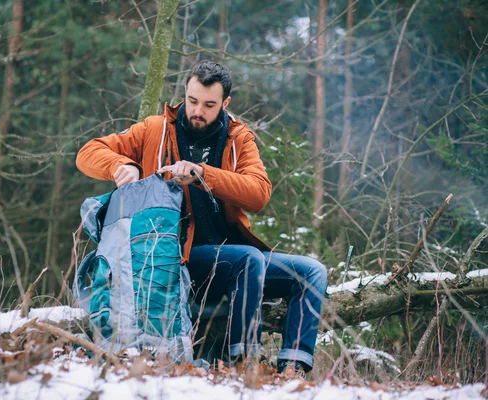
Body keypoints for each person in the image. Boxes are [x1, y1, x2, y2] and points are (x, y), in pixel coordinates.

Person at [76, 60, 327, 374]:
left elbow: (259, 193)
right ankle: (242, 365)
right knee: (247, 259)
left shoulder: (239, 138)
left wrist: (203, 174)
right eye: (193, 101)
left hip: (231, 257)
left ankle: (293, 370)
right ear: (185, 93)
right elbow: (88, 152)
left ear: (225, 103)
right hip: (174, 258)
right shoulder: (155, 129)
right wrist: (119, 166)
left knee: (311, 272)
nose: (198, 110)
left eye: (209, 104)